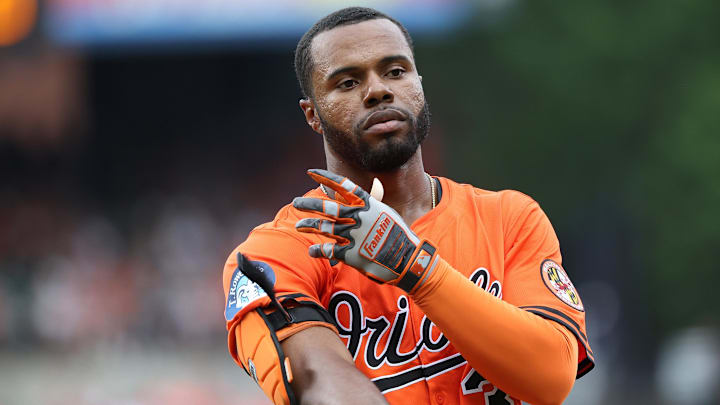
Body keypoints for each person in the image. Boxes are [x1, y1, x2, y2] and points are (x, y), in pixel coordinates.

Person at [222, 7, 594, 405]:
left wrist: (417, 269)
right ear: (312, 114)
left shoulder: (509, 219)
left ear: (420, 84)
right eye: (348, 82)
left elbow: (551, 378)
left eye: (396, 72)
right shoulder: (275, 253)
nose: (378, 90)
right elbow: (317, 385)